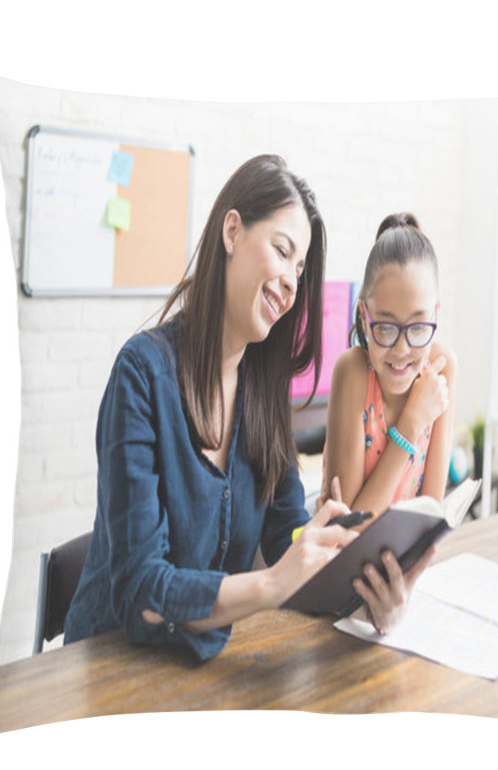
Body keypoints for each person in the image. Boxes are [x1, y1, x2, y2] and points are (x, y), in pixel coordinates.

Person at [64, 157, 434, 657]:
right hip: (109, 676)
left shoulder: (261, 393)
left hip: (206, 676)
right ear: (232, 231)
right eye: (282, 252)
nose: (289, 282)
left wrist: (372, 599)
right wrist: (269, 585)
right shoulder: (142, 375)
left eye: (299, 270)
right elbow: (141, 593)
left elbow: (288, 539)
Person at [322, 212, 456, 518]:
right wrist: (411, 425)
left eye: (419, 327)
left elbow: (429, 518)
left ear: (435, 315)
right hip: (344, 563)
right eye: (385, 327)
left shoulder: (441, 369)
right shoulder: (353, 372)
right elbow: (349, 529)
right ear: (364, 317)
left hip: (409, 565)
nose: (402, 348)